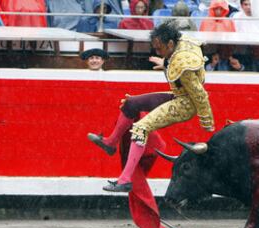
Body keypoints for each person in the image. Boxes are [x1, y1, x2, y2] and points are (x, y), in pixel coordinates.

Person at [87, 22, 215, 192]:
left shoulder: (184, 65)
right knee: (131, 103)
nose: (157, 52)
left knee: (140, 128)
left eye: (159, 48)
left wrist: (207, 123)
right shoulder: (182, 42)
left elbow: (199, 95)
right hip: (178, 95)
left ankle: (125, 180)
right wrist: (166, 63)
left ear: (170, 44)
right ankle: (110, 143)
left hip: (185, 105)